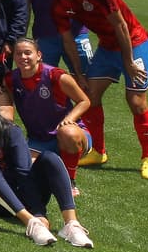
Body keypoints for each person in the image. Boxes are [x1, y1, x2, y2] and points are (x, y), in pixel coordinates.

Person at [43, 0, 148, 179]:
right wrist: (78, 73)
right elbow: (67, 41)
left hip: (134, 43)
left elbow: (121, 25)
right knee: (90, 96)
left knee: (136, 102)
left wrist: (129, 62)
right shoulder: (58, 6)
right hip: (107, 48)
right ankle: (98, 151)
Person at [0, 84, 94, 247]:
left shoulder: (10, 130)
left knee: (50, 158)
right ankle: (30, 223)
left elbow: (23, 171)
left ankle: (71, 224)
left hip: (24, 193)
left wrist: (38, 211)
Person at [6, 38, 92, 188]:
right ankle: (52, 161)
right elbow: (5, 105)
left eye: (28, 53)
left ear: (38, 55)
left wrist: (69, 119)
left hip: (71, 135)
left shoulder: (56, 76)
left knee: (68, 132)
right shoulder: (10, 80)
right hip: (38, 140)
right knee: (21, 174)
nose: (23, 57)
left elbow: (84, 101)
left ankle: (69, 181)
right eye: (18, 54)